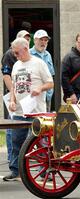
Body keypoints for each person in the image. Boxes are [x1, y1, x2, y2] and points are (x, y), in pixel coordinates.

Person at [3, 37, 53, 181]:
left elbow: (50, 83)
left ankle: (44, 170)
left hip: (36, 111)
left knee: (40, 142)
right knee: (16, 141)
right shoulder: (17, 65)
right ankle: (16, 170)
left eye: (17, 53)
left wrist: (40, 88)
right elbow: (13, 86)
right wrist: (12, 101)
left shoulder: (39, 64)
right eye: (14, 53)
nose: (16, 56)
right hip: (19, 111)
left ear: (25, 49)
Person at [1, 30, 31, 164]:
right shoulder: (9, 55)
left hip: (28, 99)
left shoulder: (32, 57)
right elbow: (6, 75)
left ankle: (24, 160)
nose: (26, 41)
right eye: (24, 39)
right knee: (12, 128)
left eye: (28, 39)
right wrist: (12, 93)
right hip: (13, 94)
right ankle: (12, 160)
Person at [30, 29, 55, 111]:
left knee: (46, 121)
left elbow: (51, 75)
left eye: (45, 40)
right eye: (41, 40)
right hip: (34, 95)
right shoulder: (29, 54)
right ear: (35, 40)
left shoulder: (48, 55)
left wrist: (50, 92)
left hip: (47, 94)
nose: (43, 42)